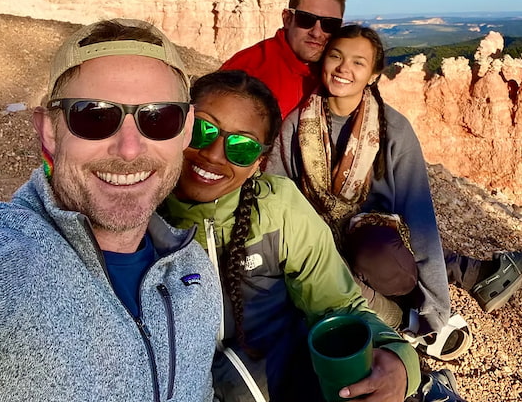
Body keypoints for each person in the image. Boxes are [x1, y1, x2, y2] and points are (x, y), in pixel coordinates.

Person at [0, 19, 222, 401]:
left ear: (185, 130)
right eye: (95, 116)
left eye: (158, 117)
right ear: (49, 130)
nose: (130, 150)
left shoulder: (195, 272)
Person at [268, 25, 522, 361]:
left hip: (377, 247)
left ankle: (432, 306)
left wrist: (435, 306)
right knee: (325, 267)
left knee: (374, 252)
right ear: (323, 61)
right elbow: (277, 190)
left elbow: (420, 219)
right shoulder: (297, 124)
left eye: (359, 62)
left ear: (373, 75)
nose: (344, 68)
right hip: (315, 238)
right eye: (336, 56)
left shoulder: (393, 129)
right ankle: (404, 322)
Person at [158, 70, 441, 402]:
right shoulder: (133, 216)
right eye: (203, 131)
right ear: (178, 125)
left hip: (289, 384)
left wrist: (400, 361)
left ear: (258, 163)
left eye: (242, 148)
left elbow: (337, 306)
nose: (214, 154)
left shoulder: (279, 209)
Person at [221, 0, 346, 118]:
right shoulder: (246, 69)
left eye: (329, 24)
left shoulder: (343, 73)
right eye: (306, 19)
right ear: (287, 19)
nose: (317, 32)